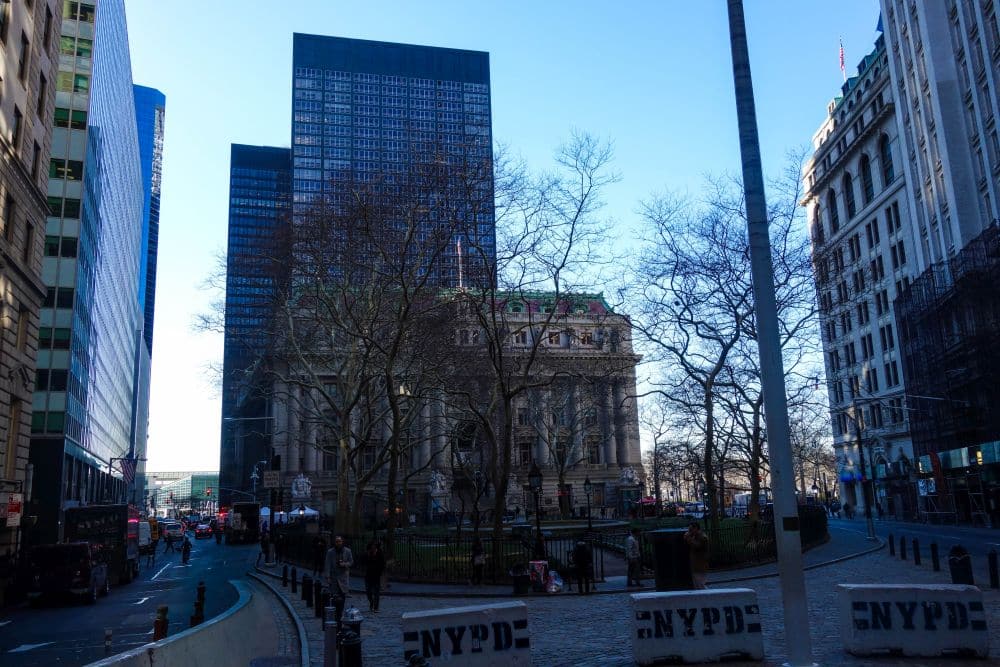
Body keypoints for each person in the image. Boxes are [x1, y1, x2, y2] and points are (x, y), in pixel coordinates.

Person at [325, 536, 354, 600]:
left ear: (342, 542)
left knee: (343, 594)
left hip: (343, 576)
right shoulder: (330, 552)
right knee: (334, 595)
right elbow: (327, 564)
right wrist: (327, 577)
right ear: (335, 542)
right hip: (334, 576)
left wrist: (344, 564)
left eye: (339, 541)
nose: (338, 543)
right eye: (337, 542)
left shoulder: (347, 551)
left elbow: (351, 562)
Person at [684, 522, 709, 590]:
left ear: (696, 528)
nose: (689, 532)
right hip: (696, 565)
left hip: (700, 565)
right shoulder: (696, 536)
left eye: (691, 530)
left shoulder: (702, 537)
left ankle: (708, 595)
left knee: (700, 585)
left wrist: (688, 537)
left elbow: (697, 546)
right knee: (697, 585)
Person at [364, 540, 385, 613]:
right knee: (368, 591)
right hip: (368, 575)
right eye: (372, 547)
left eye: (374, 547)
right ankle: (371, 602)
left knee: (376, 592)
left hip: (376, 576)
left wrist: (380, 572)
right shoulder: (368, 554)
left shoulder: (380, 554)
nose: (373, 548)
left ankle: (376, 607)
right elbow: (364, 562)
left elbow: (382, 564)